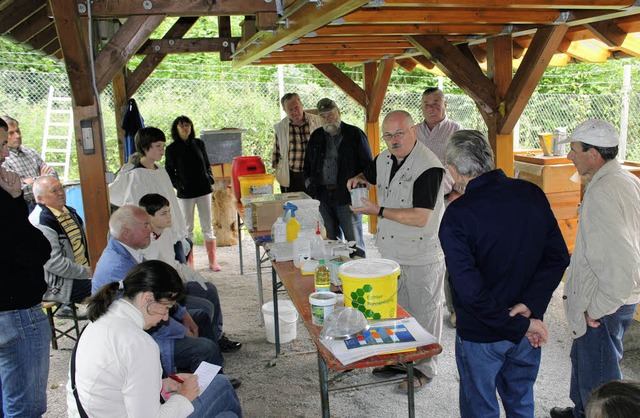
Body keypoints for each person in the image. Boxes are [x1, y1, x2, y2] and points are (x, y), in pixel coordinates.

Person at [438, 130, 570, 417]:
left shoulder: (457, 216)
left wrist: (521, 325)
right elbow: (558, 257)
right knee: (521, 403)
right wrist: (530, 307)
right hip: (527, 323)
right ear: (489, 158)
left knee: (480, 408)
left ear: (453, 171)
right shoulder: (531, 193)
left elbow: (470, 294)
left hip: (484, 333)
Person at [347, 110, 445, 392]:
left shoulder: (428, 166)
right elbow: (369, 174)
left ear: (413, 131)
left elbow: (420, 217)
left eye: (399, 133)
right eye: (388, 135)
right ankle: (400, 359)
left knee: (424, 311)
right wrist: (357, 180)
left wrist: (375, 210)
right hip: (391, 250)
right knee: (397, 310)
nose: (393, 140)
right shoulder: (385, 157)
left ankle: (425, 368)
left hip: (420, 253)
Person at [67, 260, 242, 418]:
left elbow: (116, 385)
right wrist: (184, 397)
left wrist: (162, 384)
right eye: (166, 308)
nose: (166, 318)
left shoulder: (98, 321)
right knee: (221, 384)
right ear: (147, 298)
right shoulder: (139, 344)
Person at [551, 119, 640, 418]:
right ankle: (580, 411)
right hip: (617, 298)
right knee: (584, 359)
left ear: (594, 154)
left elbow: (622, 263)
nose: (569, 156)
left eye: (574, 150)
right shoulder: (624, 179)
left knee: (600, 382)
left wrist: (596, 309)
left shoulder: (603, 193)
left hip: (606, 303)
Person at [92, 206, 227, 380]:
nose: (151, 229)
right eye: (145, 225)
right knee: (205, 347)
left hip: (148, 321)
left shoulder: (128, 250)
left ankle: (212, 375)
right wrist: (182, 331)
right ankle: (204, 387)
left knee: (199, 316)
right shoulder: (117, 265)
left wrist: (183, 314)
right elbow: (152, 315)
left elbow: (159, 291)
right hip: (139, 337)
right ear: (125, 232)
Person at [139, 193, 242, 353]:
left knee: (209, 288)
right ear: (149, 217)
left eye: (169, 211)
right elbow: (156, 283)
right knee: (204, 307)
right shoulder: (146, 244)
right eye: (163, 213)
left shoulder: (165, 234)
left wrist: (191, 275)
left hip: (175, 284)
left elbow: (174, 265)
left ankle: (216, 336)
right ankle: (205, 348)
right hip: (164, 294)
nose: (169, 216)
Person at [0, 117, 53, 417]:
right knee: (24, 408)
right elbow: (35, 246)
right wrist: (14, 202)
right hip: (15, 311)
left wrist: (15, 200)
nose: (6, 154)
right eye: (0, 146)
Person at [415, 87, 464, 327]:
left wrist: (458, 192)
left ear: (445, 105)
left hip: (449, 201)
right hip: (420, 204)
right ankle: (423, 301)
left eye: (436, 103)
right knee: (424, 253)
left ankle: (454, 309)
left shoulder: (457, 132)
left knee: (452, 256)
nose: (431, 107)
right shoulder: (414, 132)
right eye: (427, 103)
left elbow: (467, 167)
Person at [109, 126, 190, 264]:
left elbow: (172, 202)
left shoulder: (161, 171)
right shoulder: (137, 175)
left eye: (164, 146)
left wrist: (179, 229)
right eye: (158, 146)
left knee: (179, 268)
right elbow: (137, 210)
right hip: (154, 238)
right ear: (145, 147)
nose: (162, 150)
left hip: (171, 229)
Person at [303, 98, 372, 253]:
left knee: (355, 243)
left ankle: (359, 274)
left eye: (331, 114)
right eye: (324, 116)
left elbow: (369, 166)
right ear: (319, 118)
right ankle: (336, 275)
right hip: (322, 196)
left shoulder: (355, 134)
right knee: (330, 243)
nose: (328, 119)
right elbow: (307, 166)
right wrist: (311, 187)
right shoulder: (316, 137)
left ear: (338, 113)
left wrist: (359, 188)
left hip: (348, 197)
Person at [165, 116, 221, 271]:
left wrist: (209, 177)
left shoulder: (199, 143)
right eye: (182, 125)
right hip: (185, 194)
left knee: (207, 226)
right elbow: (169, 172)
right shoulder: (171, 149)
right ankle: (189, 263)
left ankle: (213, 261)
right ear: (176, 128)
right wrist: (179, 186)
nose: (185, 128)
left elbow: (207, 163)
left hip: (204, 190)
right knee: (187, 228)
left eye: (188, 125)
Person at [29, 176, 92, 306]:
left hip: (80, 271)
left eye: (61, 188)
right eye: (54, 191)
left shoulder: (69, 212)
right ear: (41, 199)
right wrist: (90, 272)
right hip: (58, 283)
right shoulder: (41, 222)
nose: (61, 193)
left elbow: (85, 244)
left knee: (117, 279)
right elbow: (55, 264)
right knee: (109, 289)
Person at [1, 115, 58, 211]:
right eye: (11, 133)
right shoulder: (3, 159)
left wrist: (33, 181)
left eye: (18, 131)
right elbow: (17, 190)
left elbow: (53, 176)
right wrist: (42, 179)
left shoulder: (30, 152)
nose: (17, 136)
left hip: (46, 205)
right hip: (25, 207)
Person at [272, 92, 322, 193]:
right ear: (285, 110)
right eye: (290, 109)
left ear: (301, 105)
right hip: (292, 176)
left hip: (314, 173)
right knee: (292, 206)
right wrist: (276, 164)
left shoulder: (318, 122)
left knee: (314, 205)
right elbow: (277, 148)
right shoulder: (281, 127)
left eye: (296, 107)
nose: (295, 112)